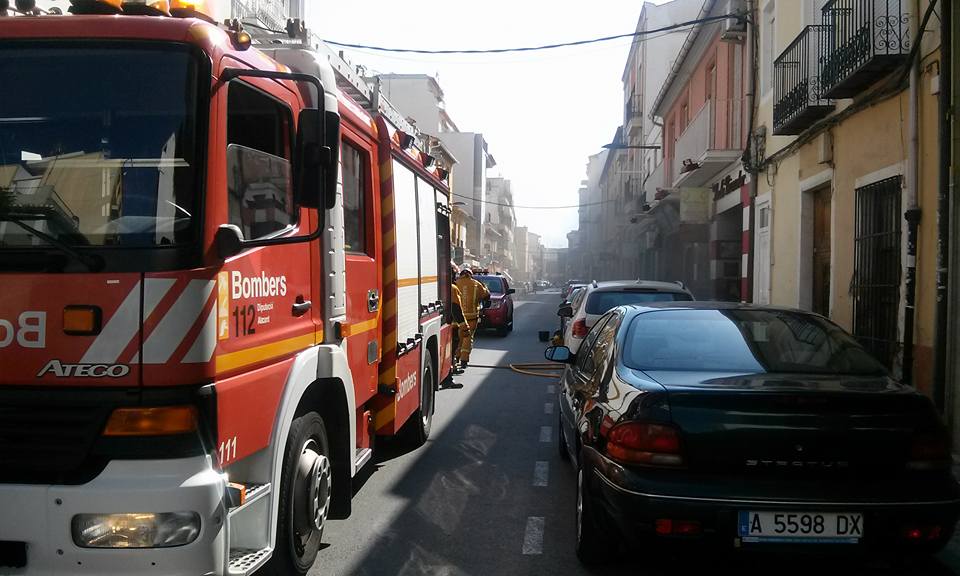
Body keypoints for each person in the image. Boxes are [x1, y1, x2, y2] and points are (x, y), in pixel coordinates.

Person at [454, 268, 490, 368]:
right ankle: (464, 360)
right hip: (472, 318)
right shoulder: (476, 284)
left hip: (457, 317)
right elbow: (486, 295)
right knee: (467, 338)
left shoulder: (455, 283)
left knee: (457, 338)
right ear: (470, 274)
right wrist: (484, 286)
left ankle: (455, 358)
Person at [450, 266, 466, 374]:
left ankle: (452, 368)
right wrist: (464, 326)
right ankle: (450, 373)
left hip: (445, 324)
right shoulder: (453, 288)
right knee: (452, 349)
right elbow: (456, 308)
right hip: (453, 325)